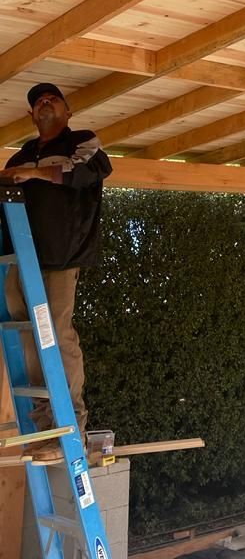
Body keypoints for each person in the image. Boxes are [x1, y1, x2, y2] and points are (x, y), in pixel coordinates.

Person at [1, 83, 112, 460]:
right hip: (23, 257)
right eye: (37, 102)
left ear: (67, 111)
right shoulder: (23, 155)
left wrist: (34, 173)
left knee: (58, 336)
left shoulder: (82, 141)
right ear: (32, 116)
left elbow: (88, 172)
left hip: (62, 259)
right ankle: (46, 429)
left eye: (52, 99)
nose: (44, 103)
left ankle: (70, 432)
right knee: (30, 339)